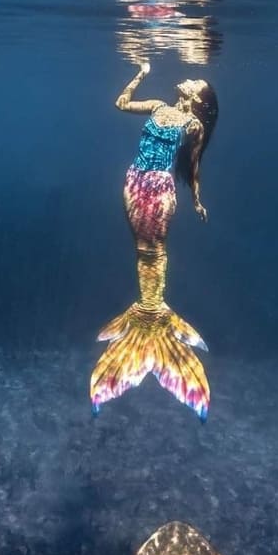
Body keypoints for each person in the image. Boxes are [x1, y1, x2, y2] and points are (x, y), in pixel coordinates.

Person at [90, 62, 218, 420]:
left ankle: (152, 312)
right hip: (135, 181)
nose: (190, 78)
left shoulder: (193, 125)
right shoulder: (160, 106)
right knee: (141, 250)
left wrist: (195, 200)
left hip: (160, 186)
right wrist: (141, 73)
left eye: (197, 82)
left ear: (196, 98)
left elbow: (191, 166)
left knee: (154, 250)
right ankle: (148, 317)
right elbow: (121, 103)